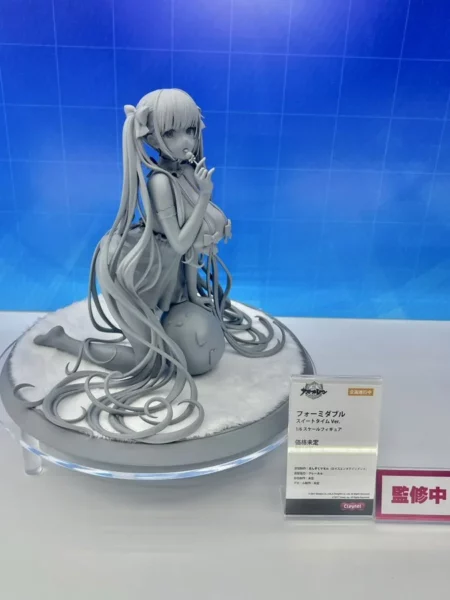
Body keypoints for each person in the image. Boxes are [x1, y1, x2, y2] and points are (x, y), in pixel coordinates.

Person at [20, 89, 285, 443]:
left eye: (190, 130)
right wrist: (205, 196)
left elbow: (190, 249)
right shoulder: (159, 181)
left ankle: (165, 315)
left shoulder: (188, 172)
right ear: (151, 138)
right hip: (141, 273)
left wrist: (193, 294)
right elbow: (179, 241)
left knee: (177, 335)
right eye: (171, 133)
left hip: (170, 269)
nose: (185, 141)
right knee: (148, 363)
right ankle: (64, 341)